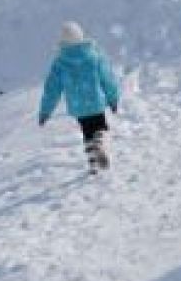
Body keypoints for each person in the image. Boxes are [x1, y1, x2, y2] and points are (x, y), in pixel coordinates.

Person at [38, 21, 121, 173]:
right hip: (95, 103)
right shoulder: (94, 57)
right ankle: (100, 141)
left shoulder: (59, 63)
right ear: (81, 36)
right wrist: (113, 98)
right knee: (101, 128)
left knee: (87, 132)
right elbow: (107, 79)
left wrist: (45, 112)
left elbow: (51, 90)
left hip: (78, 107)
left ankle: (93, 164)